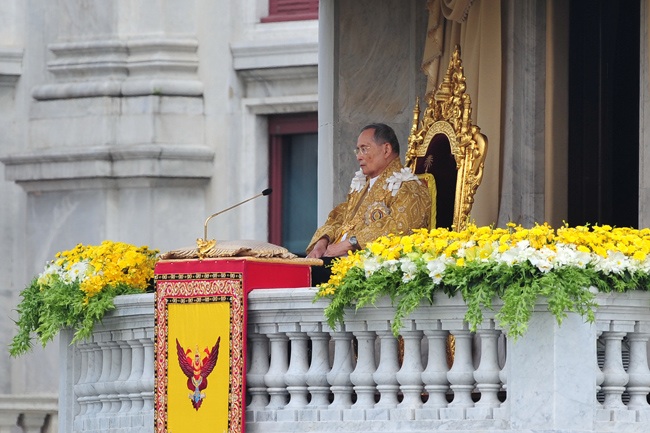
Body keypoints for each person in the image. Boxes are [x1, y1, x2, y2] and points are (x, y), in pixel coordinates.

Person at [306, 123, 432, 265]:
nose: (359, 157)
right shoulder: (362, 186)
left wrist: (349, 244)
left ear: (386, 150)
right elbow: (339, 218)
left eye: (364, 149)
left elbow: (401, 228)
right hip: (331, 258)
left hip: (366, 267)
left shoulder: (409, 187)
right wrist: (322, 242)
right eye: (358, 150)